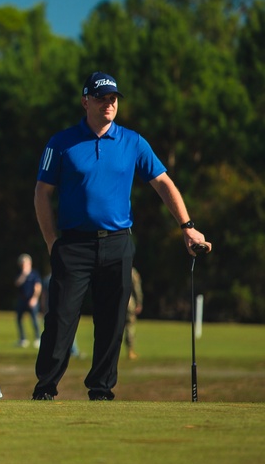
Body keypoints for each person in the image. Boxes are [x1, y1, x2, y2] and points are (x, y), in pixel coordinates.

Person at [31, 72, 211, 401]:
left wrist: (187, 226)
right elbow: (42, 193)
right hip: (72, 244)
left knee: (113, 321)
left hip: (117, 243)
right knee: (60, 318)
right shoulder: (61, 142)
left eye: (113, 98)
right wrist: (51, 242)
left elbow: (163, 184)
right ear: (86, 101)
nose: (109, 103)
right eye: (102, 98)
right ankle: (46, 387)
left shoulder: (133, 142)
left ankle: (100, 389)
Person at [14, 253, 43, 348]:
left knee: (34, 320)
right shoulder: (20, 274)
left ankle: (38, 338)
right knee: (19, 319)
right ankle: (23, 339)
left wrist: (34, 298)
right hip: (22, 300)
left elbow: (38, 287)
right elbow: (17, 284)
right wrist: (23, 274)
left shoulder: (34, 274)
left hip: (32, 300)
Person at [124, 267, 143, 360]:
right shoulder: (131, 271)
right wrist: (139, 302)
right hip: (129, 301)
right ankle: (130, 351)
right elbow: (137, 288)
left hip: (115, 300)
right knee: (130, 327)